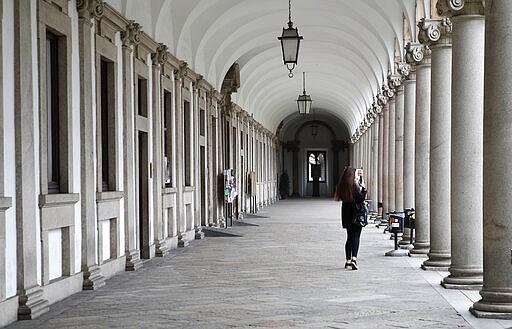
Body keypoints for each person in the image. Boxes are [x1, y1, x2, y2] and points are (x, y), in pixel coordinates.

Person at [334, 166, 367, 270]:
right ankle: (354, 259)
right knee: (356, 236)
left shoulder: (343, 186)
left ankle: (348, 260)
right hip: (356, 213)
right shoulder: (354, 186)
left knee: (349, 237)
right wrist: (363, 187)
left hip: (346, 213)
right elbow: (361, 198)